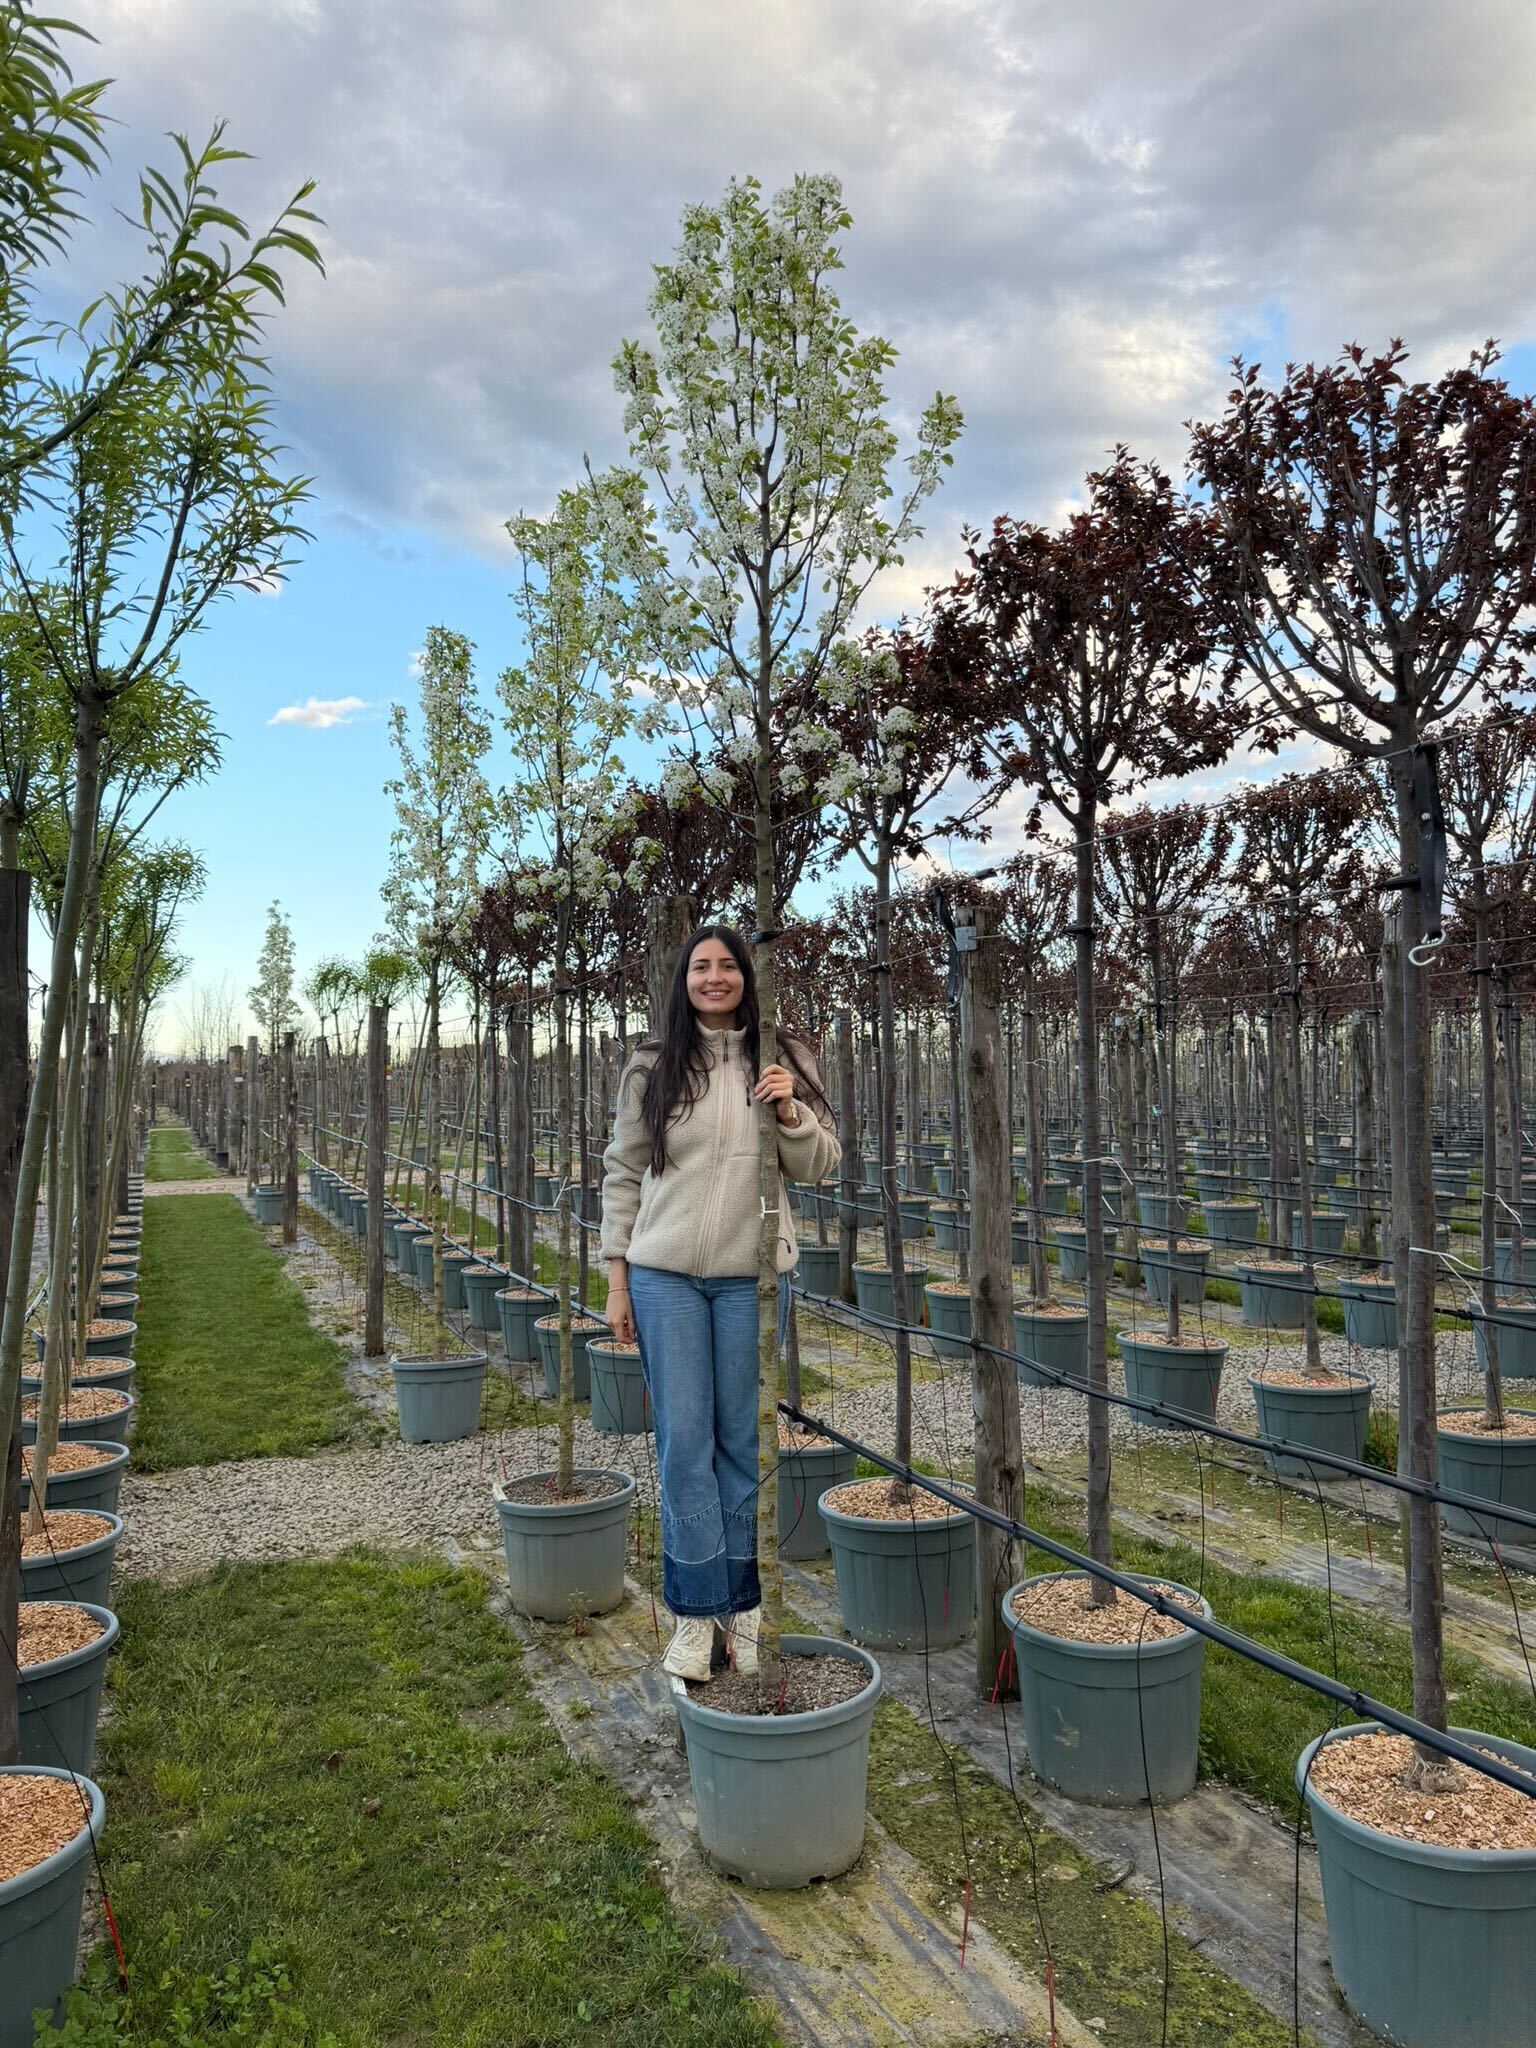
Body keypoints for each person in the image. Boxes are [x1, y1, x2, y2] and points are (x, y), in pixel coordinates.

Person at [600, 925, 840, 1682]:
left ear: (747, 977)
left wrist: (792, 1111)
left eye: (726, 965)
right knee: (684, 1443)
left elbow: (824, 1165)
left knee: (744, 1441)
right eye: (700, 966)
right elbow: (624, 1172)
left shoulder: (786, 1057)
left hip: (752, 1279)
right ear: (683, 980)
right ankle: (697, 1614)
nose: (713, 977)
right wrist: (614, 1279)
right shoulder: (652, 1063)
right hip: (664, 1276)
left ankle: (745, 1603)